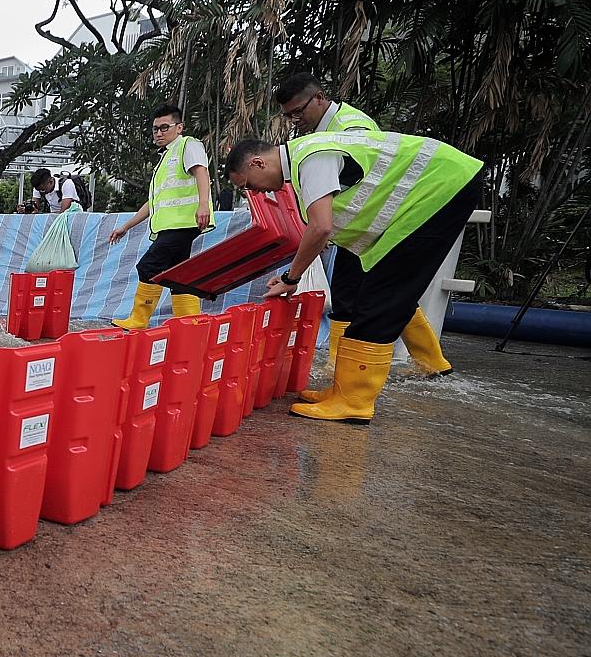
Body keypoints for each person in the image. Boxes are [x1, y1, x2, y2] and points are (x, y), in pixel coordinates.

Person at [225, 129, 484, 424]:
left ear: (257, 163)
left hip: (441, 190)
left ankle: (354, 402)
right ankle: (343, 392)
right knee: (369, 294)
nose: (257, 193)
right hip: (430, 197)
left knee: (382, 299)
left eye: (249, 186)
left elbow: (320, 228)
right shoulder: (303, 161)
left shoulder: (310, 159)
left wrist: (291, 277)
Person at [273, 73, 453, 391]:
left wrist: (319, 232)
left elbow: (353, 182)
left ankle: (342, 369)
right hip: (361, 227)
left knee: (354, 292)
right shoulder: (325, 129)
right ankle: (432, 364)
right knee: (374, 291)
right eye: (289, 115)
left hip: (378, 224)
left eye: (299, 111)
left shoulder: (352, 127)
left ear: (319, 98)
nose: (296, 119)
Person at [108, 104, 214, 326]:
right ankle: (189, 321)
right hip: (173, 226)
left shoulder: (188, 145)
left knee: (148, 266)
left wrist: (203, 204)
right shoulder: (165, 159)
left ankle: (139, 319)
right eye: (155, 129)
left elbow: (201, 172)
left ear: (179, 127)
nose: (158, 133)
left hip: (183, 223)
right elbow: (153, 202)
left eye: (164, 127)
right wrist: (125, 226)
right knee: (179, 274)